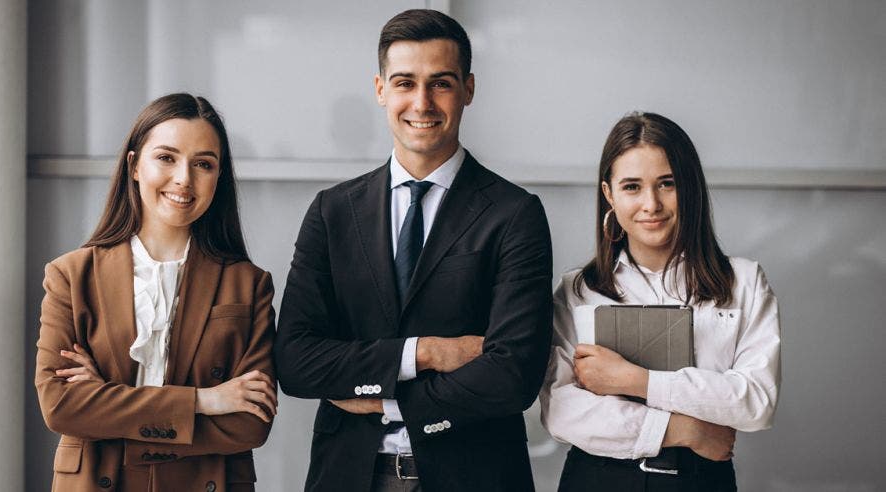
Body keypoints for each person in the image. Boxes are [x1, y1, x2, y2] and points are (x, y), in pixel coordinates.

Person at [274, 9, 553, 492]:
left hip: (476, 477)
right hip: (348, 477)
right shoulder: (332, 211)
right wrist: (424, 354)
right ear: (381, 89)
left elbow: (513, 374)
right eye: (405, 82)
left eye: (440, 83)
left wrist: (382, 397)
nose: (421, 102)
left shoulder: (514, 214)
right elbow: (297, 361)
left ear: (468, 89)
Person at [35, 93, 277, 492]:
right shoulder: (71, 276)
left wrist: (105, 403)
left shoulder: (248, 284)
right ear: (133, 165)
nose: (184, 178)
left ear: (218, 177)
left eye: (203, 164)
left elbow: (250, 422)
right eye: (166, 158)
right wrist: (203, 401)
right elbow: (61, 407)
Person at [540, 112, 781, 491]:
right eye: (632, 187)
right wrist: (684, 429)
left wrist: (637, 381)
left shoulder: (744, 282)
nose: (651, 203)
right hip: (598, 480)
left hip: (701, 481)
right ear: (609, 195)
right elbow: (562, 411)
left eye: (666, 184)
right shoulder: (577, 290)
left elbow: (755, 402)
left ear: (690, 188)